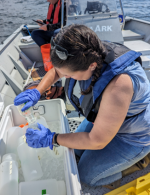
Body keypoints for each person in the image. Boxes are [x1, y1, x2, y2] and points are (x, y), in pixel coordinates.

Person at [14, 24, 150, 189]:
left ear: (92, 66)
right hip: (107, 119)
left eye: (70, 75)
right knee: (75, 151)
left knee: (87, 175)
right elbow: (58, 71)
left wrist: (52, 138)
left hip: (132, 136)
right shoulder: (86, 52)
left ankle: (139, 162)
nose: (65, 77)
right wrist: (37, 91)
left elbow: (96, 141)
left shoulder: (119, 86)